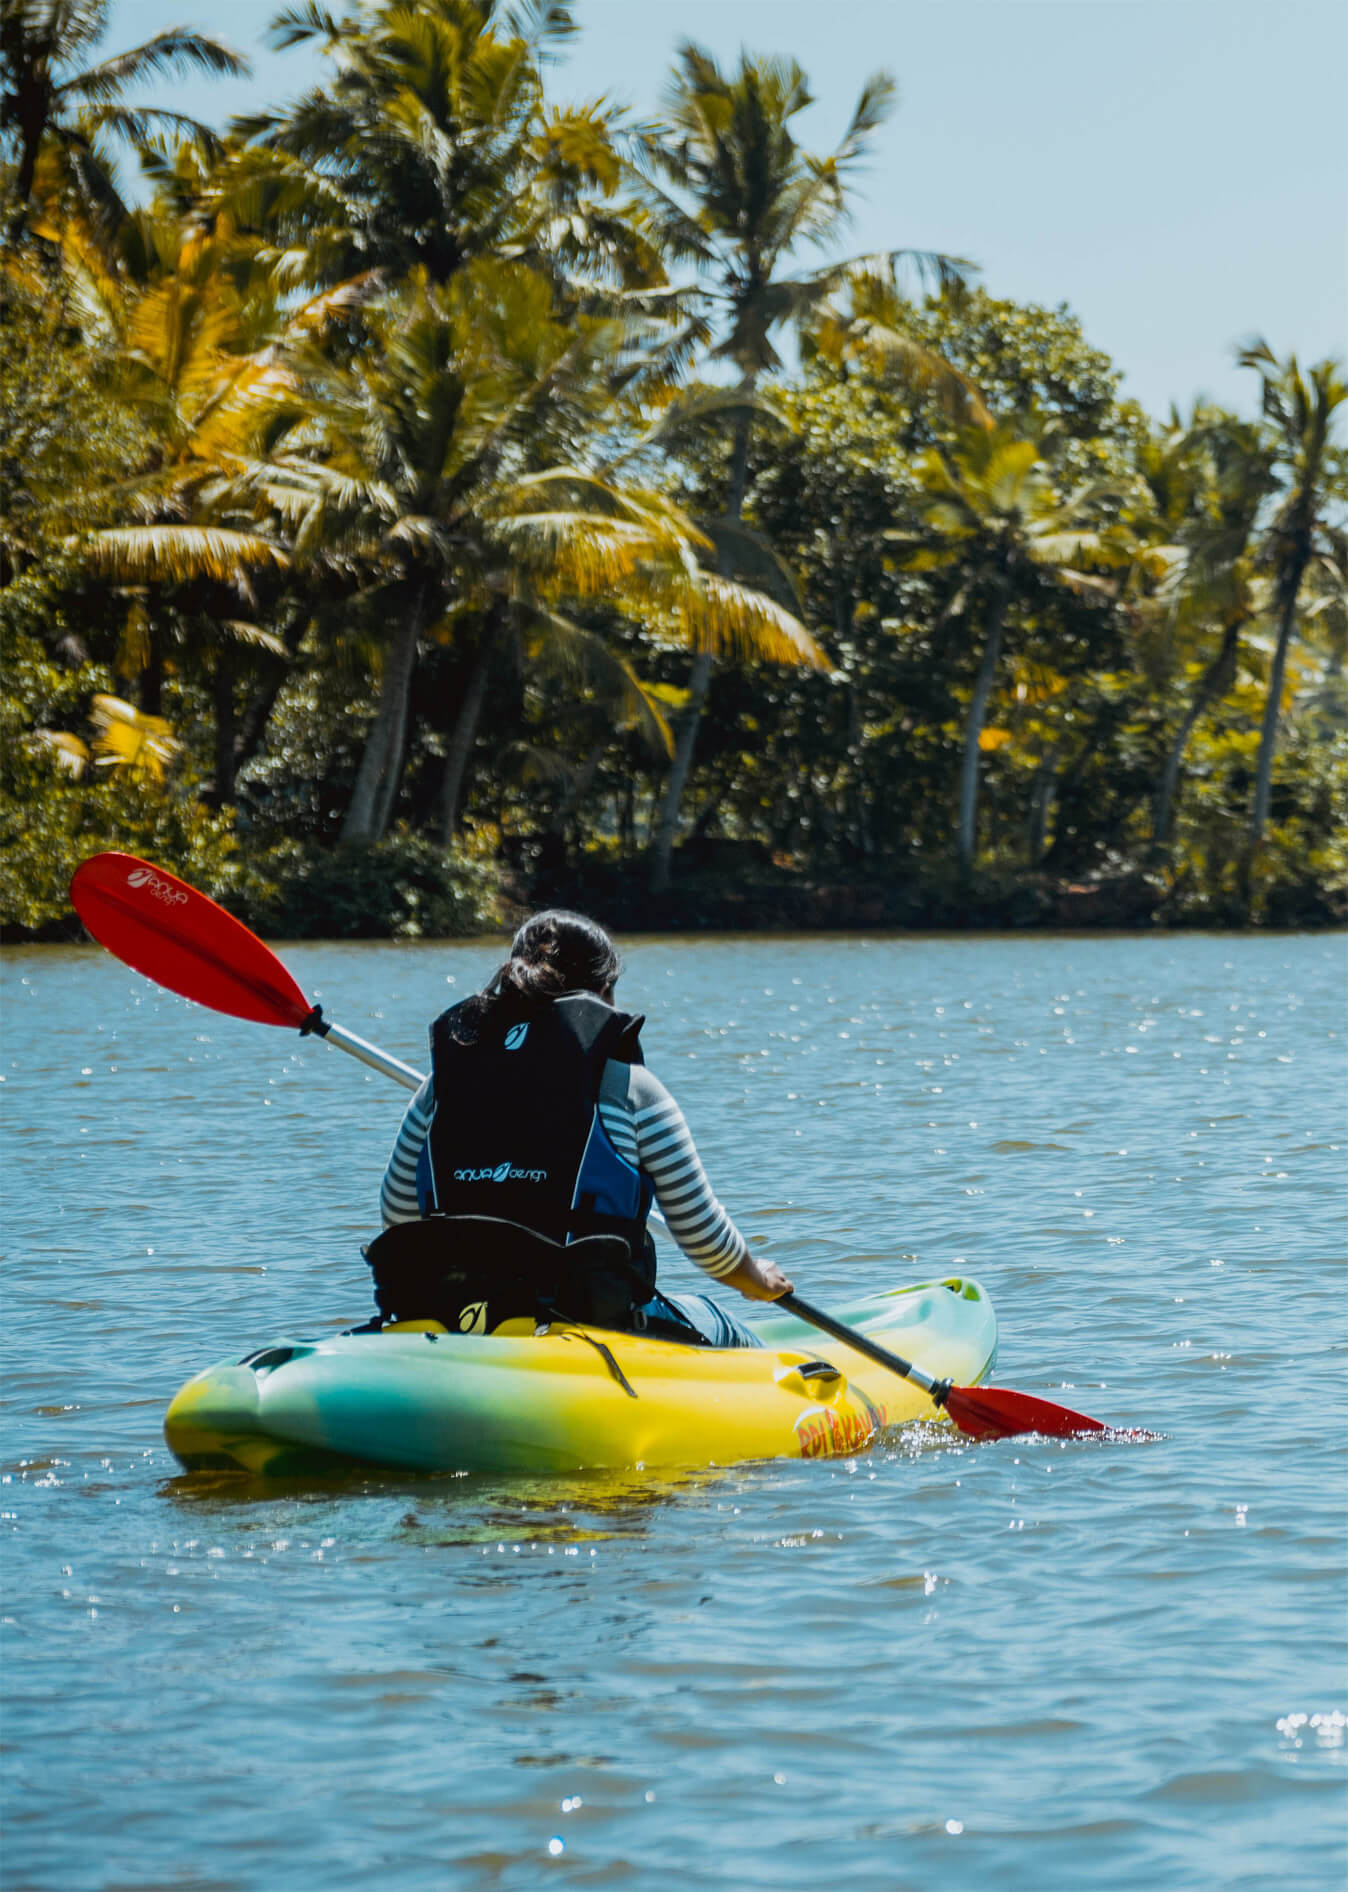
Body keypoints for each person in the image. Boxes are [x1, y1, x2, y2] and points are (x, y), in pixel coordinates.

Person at [376, 910, 793, 1344]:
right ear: (603, 992)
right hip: (586, 1327)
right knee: (719, 1321)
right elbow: (705, 1240)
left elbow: (398, 1213)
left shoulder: (440, 1087)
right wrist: (755, 1278)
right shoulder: (629, 1088)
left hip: (456, 1322)